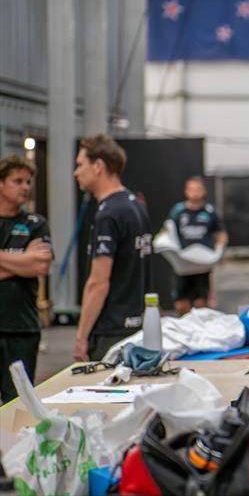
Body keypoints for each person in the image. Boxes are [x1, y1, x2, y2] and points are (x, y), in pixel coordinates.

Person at [73, 135, 153, 362]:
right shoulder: (136, 204)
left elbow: (98, 283)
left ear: (98, 166)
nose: (76, 172)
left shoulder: (109, 214)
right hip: (137, 327)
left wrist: (81, 337)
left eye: (80, 165)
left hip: (112, 332)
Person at [0, 155, 52, 403]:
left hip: (22, 329)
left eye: (28, 181)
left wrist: (29, 263)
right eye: (17, 181)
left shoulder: (36, 224)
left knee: (18, 405)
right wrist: (22, 261)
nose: (25, 187)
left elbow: (40, 265)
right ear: (1, 183)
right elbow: (29, 263)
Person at [167, 176, 228, 315]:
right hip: (182, 265)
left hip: (202, 265)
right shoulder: (178, 211)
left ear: (204, 191)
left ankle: (200, 330)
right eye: (191, 189)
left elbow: (221, 234)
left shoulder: (210, 212)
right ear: (186, 191)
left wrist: (218, 252)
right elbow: (168, 231)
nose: (195, 192)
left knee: (201, 303)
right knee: (181, 304)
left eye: (198, 189)